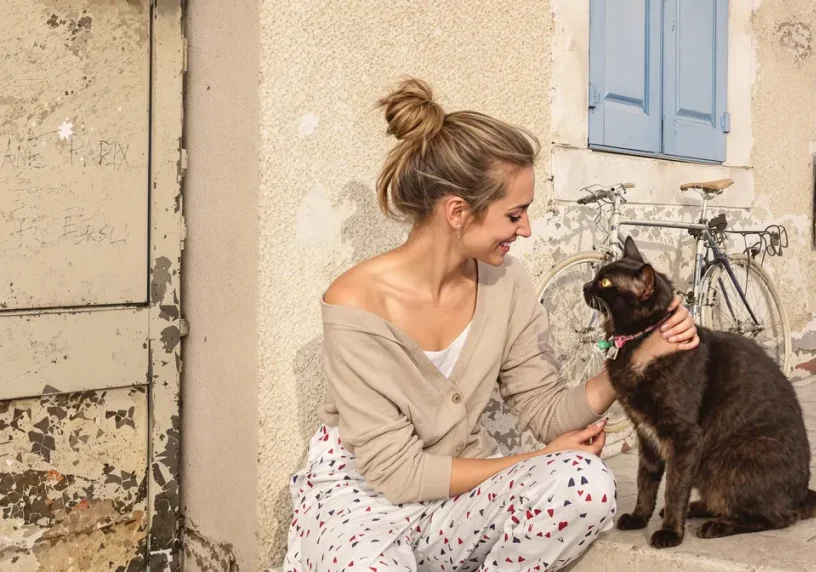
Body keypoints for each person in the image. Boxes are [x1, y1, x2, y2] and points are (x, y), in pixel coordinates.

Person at [284, 78, 700, 572]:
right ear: (457, 212)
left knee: (584, 483)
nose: (526, 229)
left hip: (457, 501)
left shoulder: (506, 282)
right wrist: (533, 460)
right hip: (362, 504)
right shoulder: (357, 303)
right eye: (515, 214)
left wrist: (640, 354)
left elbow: (547, 411)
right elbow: (397, 474)